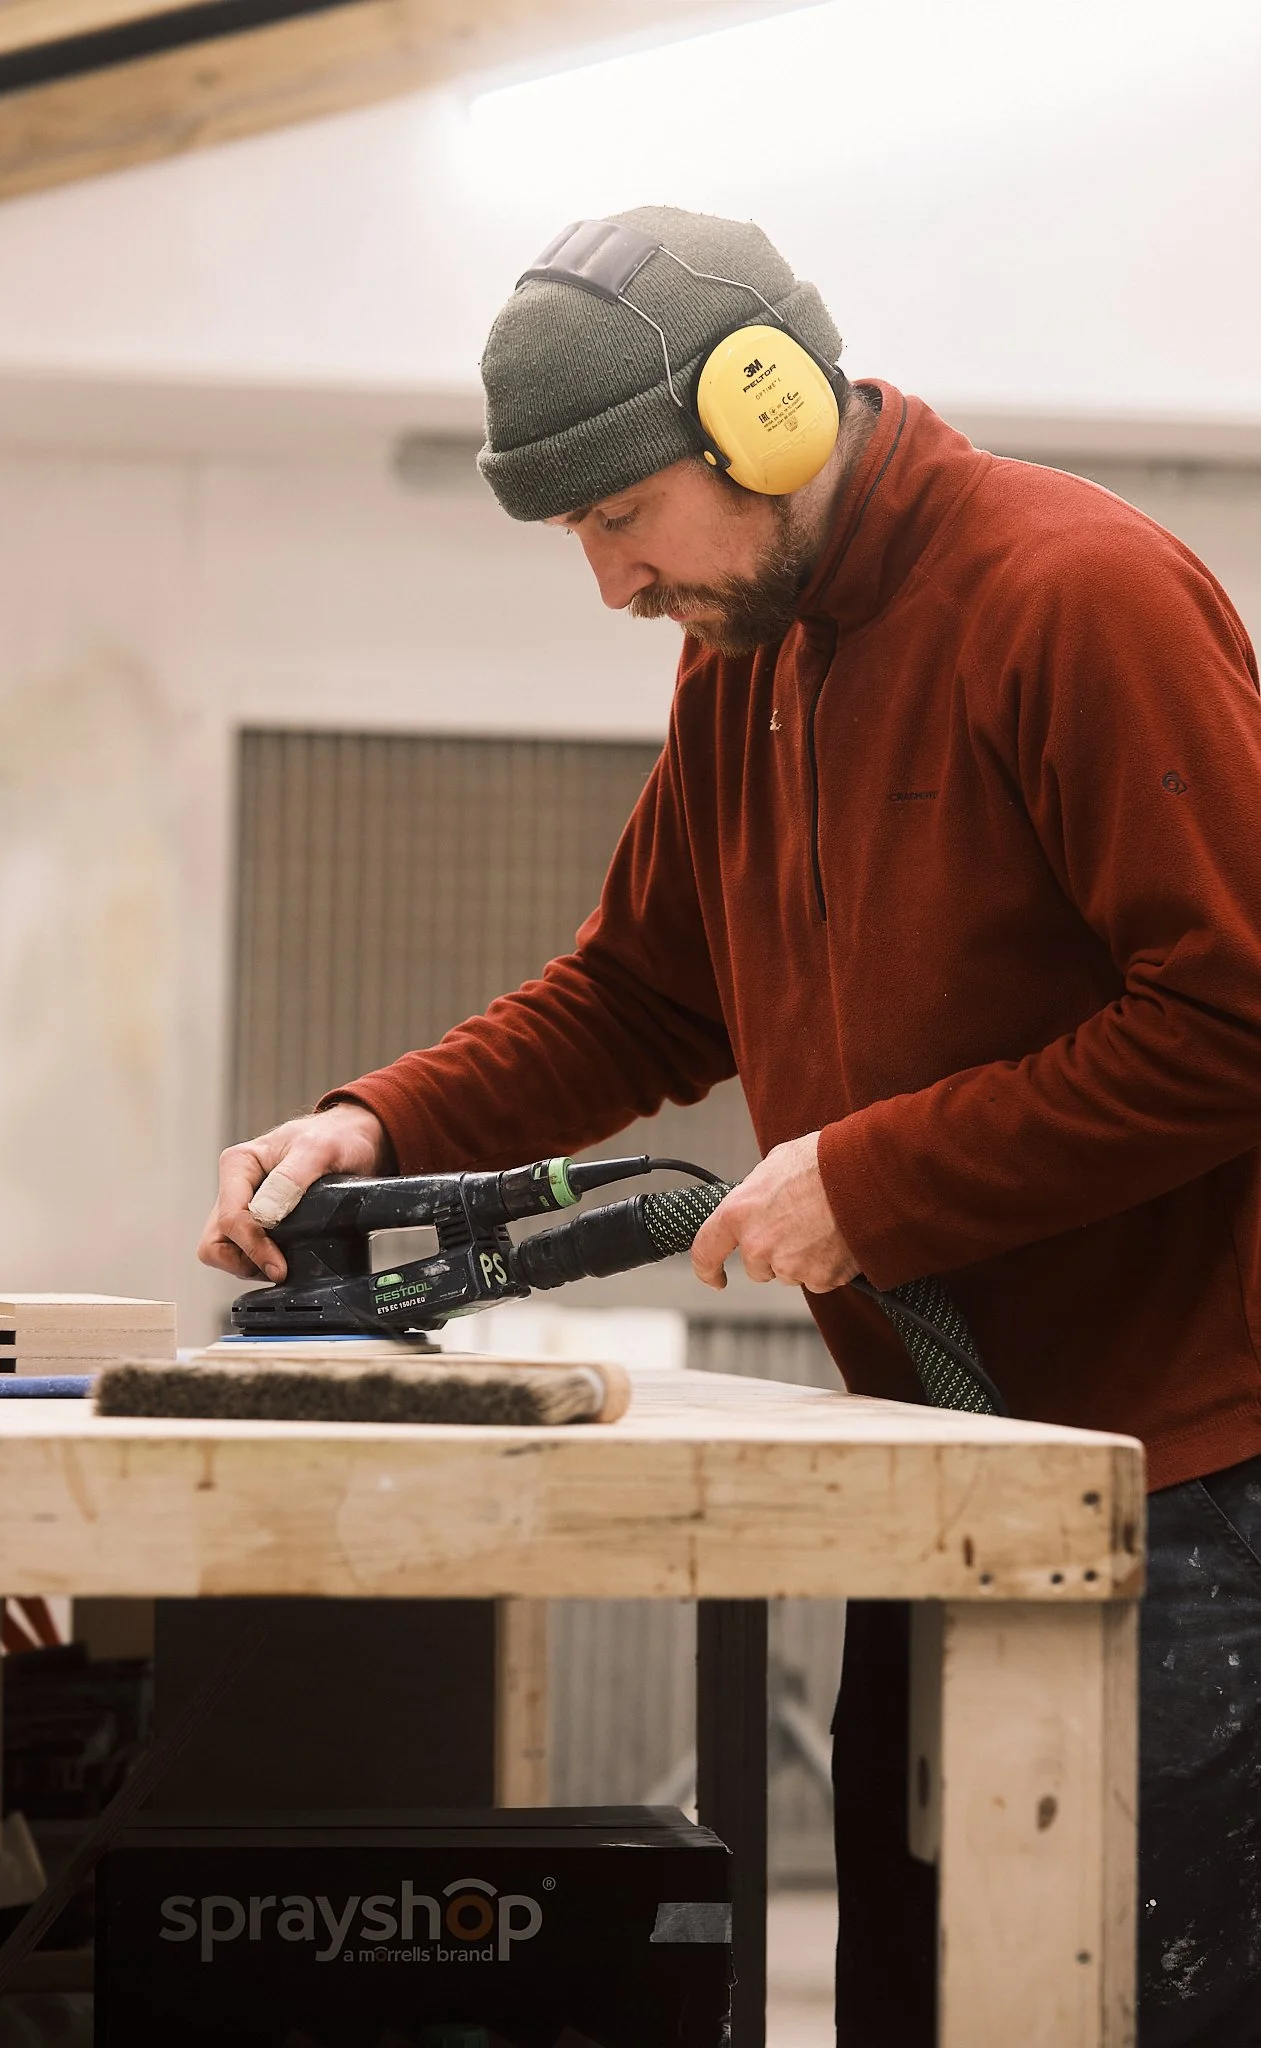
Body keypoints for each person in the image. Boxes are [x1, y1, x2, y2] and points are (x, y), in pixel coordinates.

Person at [200, 207, 1261, 2045]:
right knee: (922, 2003)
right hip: (955, 1478)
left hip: (1188, 1500)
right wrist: (377, 1126)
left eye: (619, 521)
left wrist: (880, 1175)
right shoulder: (747, 662)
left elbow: (1236, 1012)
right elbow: (641, 994)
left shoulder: (1074, 595)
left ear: (763, 412)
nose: (608, 583)